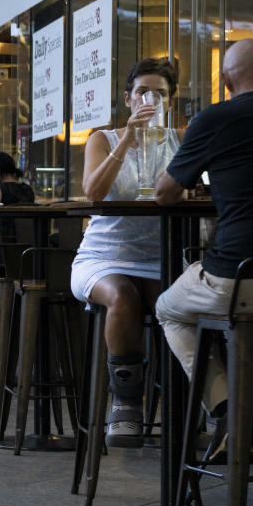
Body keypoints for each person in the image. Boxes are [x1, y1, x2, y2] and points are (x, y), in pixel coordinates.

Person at [155, 38, 253, 457]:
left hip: (239, 279)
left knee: (169, 310)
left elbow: (165, 194)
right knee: (243, 323)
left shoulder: (215, 119)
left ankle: (233, 408)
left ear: (225, 80)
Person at [69, 57, 182, 446]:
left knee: (177, 302)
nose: (150, 100)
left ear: (171, 100)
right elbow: (94, 193)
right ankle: (127, 404)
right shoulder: (104, 138)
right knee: (123, 296)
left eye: (160, 94)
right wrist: (128, 142)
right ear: (128, 99)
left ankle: (187, 404)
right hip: (103, 256)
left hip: (160, 256)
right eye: (142, 93)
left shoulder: (180, 140)